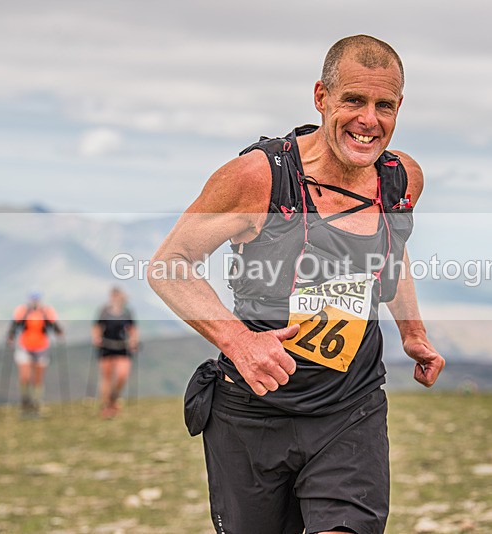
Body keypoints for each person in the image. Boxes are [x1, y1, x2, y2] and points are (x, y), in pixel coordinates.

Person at [150, 35, 445, 534]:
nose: (368, 120)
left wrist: (412, 332)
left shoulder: (400, 180)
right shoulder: (258, 178)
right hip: (254, 410)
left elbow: (390, 253)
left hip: (350, 406)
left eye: (384, 105)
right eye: (353, 100)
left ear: (399, 108)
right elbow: (169, 264)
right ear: (321, 97)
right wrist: (239, 341)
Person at [7, 292, 63, 416]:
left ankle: (37, 402)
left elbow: (54, 325)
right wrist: (11, 336)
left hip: (41, 347)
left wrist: (59, 332)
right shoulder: (23, 311)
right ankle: (25, 401)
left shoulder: (46, 311)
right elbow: (14, 325)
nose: (34, 302)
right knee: (25, 376)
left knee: (38, 378)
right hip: (24, 347)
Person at [92, 287, 138, 418]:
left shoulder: (127, 312)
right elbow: (97, 326)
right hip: (106, 346)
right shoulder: (104, 311)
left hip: (122, 346)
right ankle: (106, 406)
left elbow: (132, 328)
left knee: (122, 375)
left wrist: (133, 341)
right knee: (106, 377)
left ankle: (114, 398)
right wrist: (96, 338)